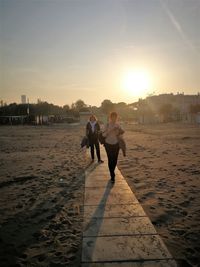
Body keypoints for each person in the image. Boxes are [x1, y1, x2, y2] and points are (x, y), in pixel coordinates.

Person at [103, 112, 124, 183]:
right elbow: (103, 135)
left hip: (116, 144)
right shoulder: (107, 124)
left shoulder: (118, 124)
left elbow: (121, 133)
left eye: (115, 117)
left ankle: (112, 171)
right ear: (110, 117)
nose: (114, 118)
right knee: (110, 159)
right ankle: (112, 175)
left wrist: (119, 131)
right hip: (108, 144)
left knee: (115, 160)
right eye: (113, 117)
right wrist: (111, 130)